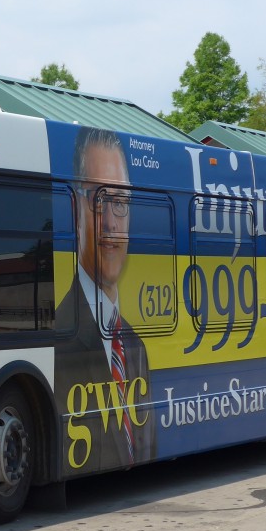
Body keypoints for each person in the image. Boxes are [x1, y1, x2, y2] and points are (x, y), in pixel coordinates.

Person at [55, 127, 156, 470]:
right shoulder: (57, 338)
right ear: (75, 210)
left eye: (121, 203)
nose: (113, 223)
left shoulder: (136, 347)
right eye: (100, 201)